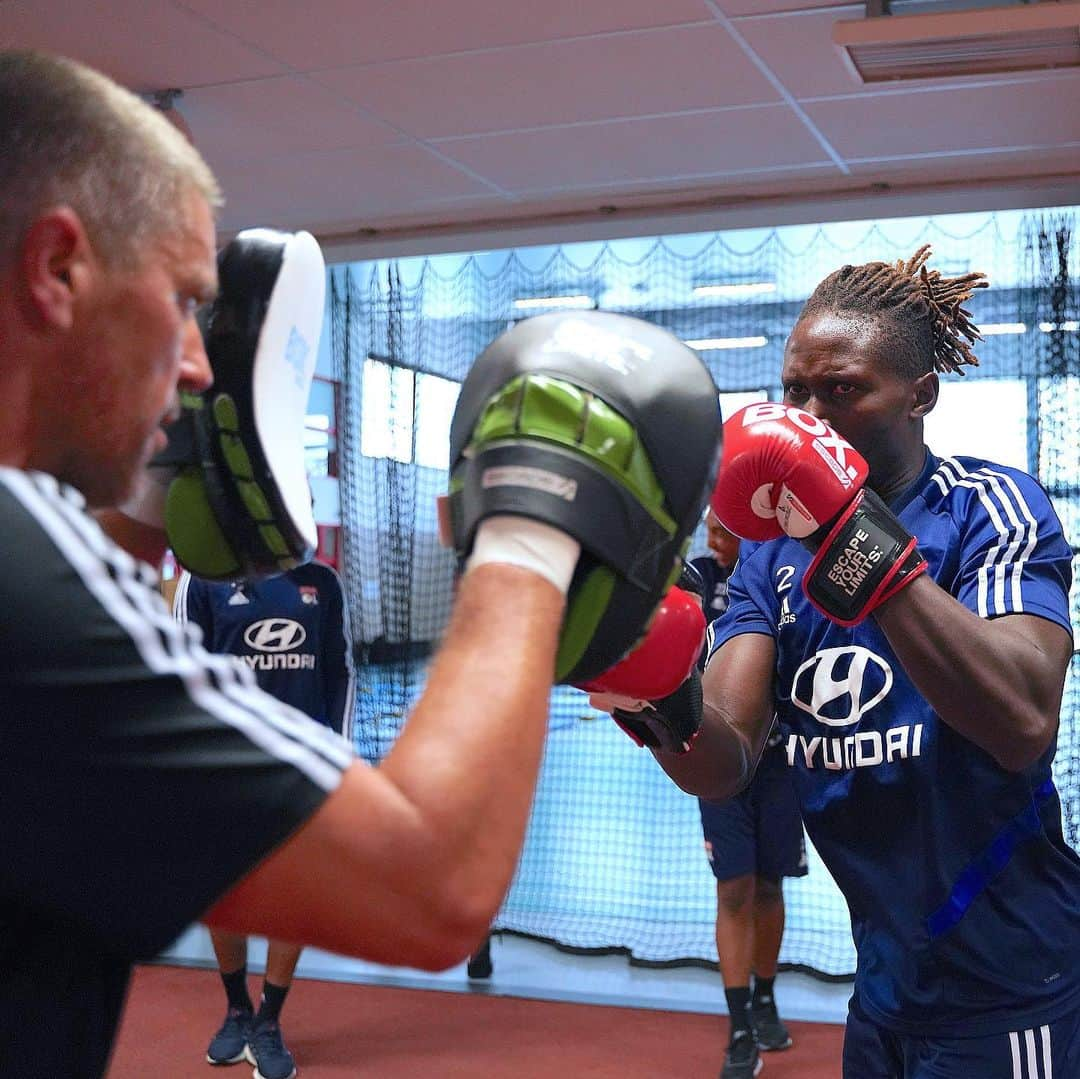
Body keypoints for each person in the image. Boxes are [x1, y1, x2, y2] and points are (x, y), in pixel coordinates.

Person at [0, 49, 720, 1079]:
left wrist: (146, 504)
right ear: (58, 269)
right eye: (180, 300)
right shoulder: (26, 567)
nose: (200, 365)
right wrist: (536, 515)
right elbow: (430, 885)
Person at [596, 246, 1080, 1078]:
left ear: (920, 395)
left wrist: (848, 532)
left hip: (1012, 982)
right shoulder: (765, 557)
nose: (809, 413)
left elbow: (1023, 720)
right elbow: (728, 757)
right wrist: (648, 686)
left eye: (843, 389)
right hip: (885, 989)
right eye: (794, 390)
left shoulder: (989, 509)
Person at [173, 562, 355, 1079]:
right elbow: (184, 672)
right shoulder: (202, 577)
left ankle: (269, 1021)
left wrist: (338, 757)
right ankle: (237, 1008)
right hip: (225, 765)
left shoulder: (322, 581)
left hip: (301, 765)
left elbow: (339, 670)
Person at [690, 512, 806, 1079]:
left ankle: (765, 997)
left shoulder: (785, 576)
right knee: (733, 886)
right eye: (710, 531)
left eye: (725, 531)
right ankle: (739, 1028)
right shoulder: (696, 581)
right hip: (720, 763)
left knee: (769, 883)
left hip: (781, 762)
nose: (716, 542)